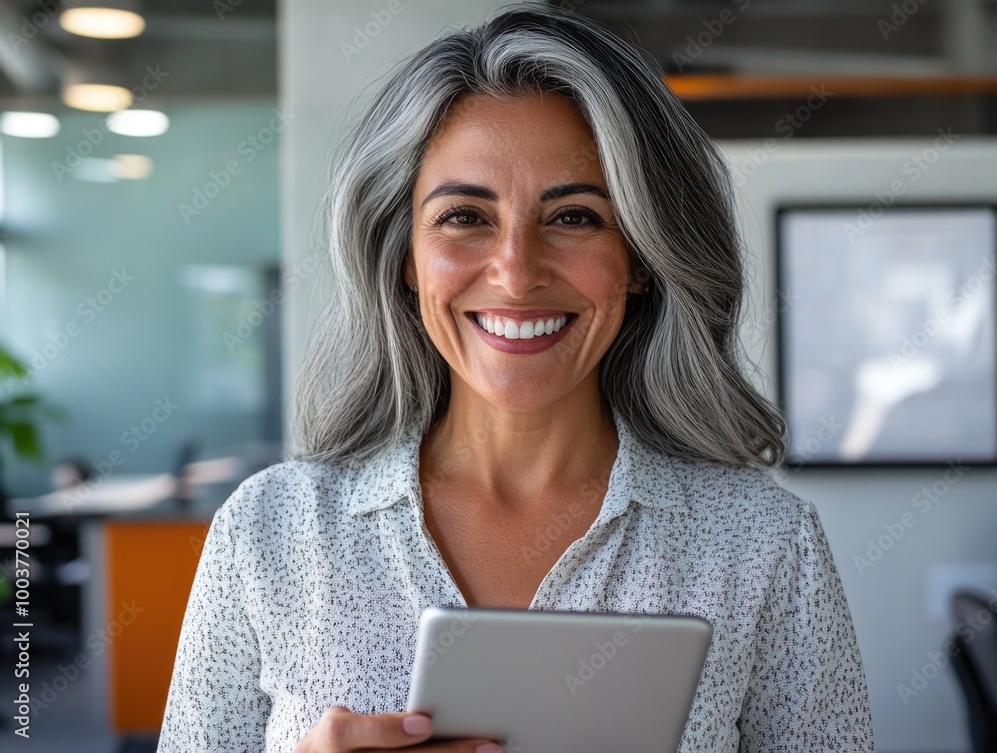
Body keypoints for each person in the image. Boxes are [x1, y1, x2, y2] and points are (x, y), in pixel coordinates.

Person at [156, 3, 875, 752]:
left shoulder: (763, 541)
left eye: (575, 218)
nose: (516, 272)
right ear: (404, 256)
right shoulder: (272, 529)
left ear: (640, 258)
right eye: (465, 215)